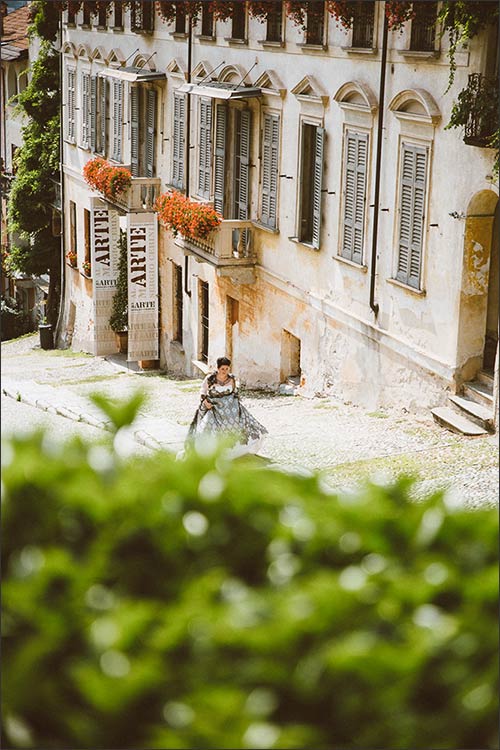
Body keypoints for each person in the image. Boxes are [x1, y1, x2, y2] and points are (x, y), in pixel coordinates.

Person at [187, 356, 267, 456]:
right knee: (208, 426)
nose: (224, 371)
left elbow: (234, 392)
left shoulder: (232, 379)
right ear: (218, 368)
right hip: (214, 407)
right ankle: (209, 451)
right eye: (222, 369)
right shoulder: (210, 379)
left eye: (226, 369)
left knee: (241, 424)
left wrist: (236, 404)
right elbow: (203, 391)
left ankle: (234, 450)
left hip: (230, 408)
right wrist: (205, 402)